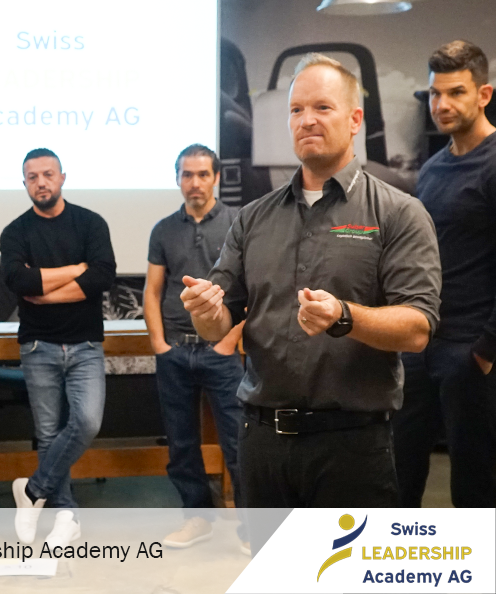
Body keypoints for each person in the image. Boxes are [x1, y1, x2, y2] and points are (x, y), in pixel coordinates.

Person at [181, 54, 441, 542]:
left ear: (355, 119)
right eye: (296, 110)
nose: (306, 120)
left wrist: (344, 316)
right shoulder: (253, 219)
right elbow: (218, 326)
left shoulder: (398, 213)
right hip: (263, 445)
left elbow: (417, 328)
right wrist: (206, 312)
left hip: (352, 447)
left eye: (322, 107)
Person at [393, 40, 496, 508]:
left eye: (456, 92)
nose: (442, 104)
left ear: (484, 94)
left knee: (474, 487)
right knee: (399, 473)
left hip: (472, 351)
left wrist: (485, 351)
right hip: (422, 345)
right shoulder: (433, 169)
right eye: (436, 93)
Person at [0, 148, 116, 547]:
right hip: (39, 346)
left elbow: (102, 276)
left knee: (87, 421)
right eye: (32, 177)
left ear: (62, 177)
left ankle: (32, 490)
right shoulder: (15, 232)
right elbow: (19, 282)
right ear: (25, 183)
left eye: (48, 174)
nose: (41, 183)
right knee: (48, 434)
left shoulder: (90, 223)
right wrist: (74, 270)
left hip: (85, 344)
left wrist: (45, 291)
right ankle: (66, 514)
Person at [144, 144, 248, 554]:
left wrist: (228, 342)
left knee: (238, 443)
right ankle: (197, 517)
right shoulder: (163, 229)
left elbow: (251, 289)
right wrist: (159, 344)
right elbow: (153, 291)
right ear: (177, 179)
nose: (195, 183)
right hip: (175, 352)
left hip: (222, 354)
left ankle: (250, 527)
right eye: (187, 174)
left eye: (203, 174)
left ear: (216, 178)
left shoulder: (238, 222)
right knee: (181, 444)